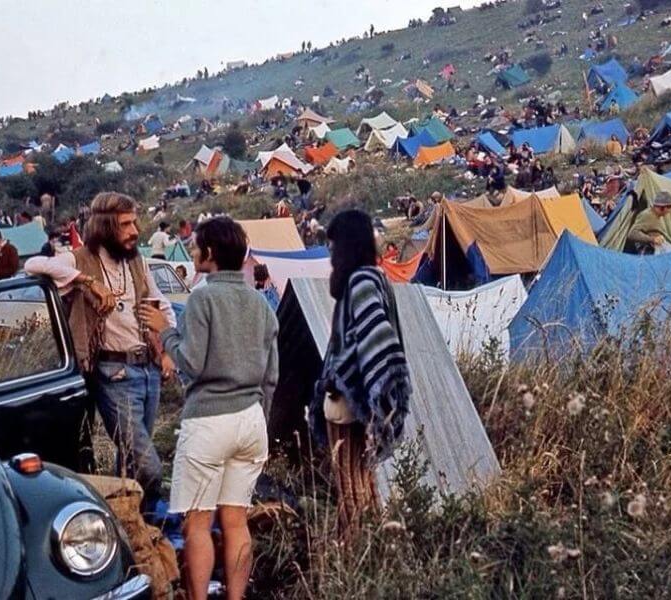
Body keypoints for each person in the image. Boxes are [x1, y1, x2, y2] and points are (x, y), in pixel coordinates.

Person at [139, 216, 277, 600]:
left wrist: (163, 332)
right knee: (236, 521)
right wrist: (258, 416)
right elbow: (272, 374)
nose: (194, 252)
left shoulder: (202, 297)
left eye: (197, 247)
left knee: (197, 523)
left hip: (210, 419)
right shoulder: (260, 303)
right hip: (250, 420)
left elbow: (192, 362)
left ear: (210, 254)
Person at [24, 192, 176, 509]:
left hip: (147, 370)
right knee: (149, 466)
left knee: (130, 465)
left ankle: (138, 531)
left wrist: (166, 351)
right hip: (113, 373)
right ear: (105, 227)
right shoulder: (78, 259)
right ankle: (152, 518)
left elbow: (164, 308)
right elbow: (33, 265)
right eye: (125, 224)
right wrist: (88, 282)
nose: (135, 230)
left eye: (134, 222)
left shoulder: (137, 261)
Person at [309, 210, 411, 540]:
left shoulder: (360, 281)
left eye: (332, 246)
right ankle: (375, 546)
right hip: (360, 397)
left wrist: (343, 373)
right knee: (364, 478)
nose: (329, 255)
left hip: (346, 399)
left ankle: (354, 549)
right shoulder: (377, 277)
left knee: (349, 484)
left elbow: (375, 336)